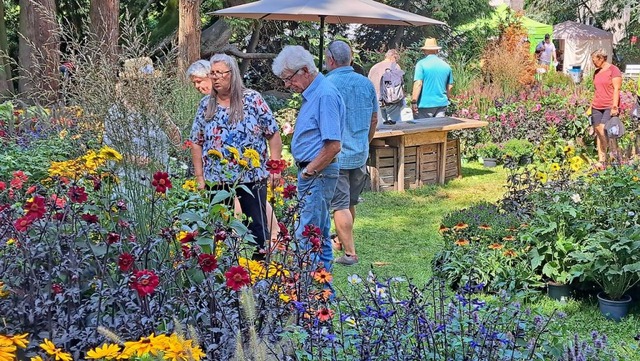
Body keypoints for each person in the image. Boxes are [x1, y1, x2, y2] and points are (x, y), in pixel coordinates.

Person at [189, 54, 283, 259]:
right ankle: (220, 268)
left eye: (220, 73)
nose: (215, 78)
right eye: (212, 73)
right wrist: (199, 177)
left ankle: (260, 268)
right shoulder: (206, 105)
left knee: (257, 226)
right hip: (217, 179)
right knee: (218, 226)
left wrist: (275, 167)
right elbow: (196, 141)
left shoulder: (253, 99)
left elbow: (273, 134)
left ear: (233, 75)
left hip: (251, 177)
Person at [272, 45, 344, 272]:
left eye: (288, 78)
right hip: (315, 174)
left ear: (304, 70)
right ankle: (321, 296)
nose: (287, 85)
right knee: (318, 235)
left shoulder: (325, 94)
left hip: (318, 174)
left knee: (308, 237)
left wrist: (308, 172)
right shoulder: (314, 93)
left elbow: (333, 145)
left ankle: (312, 294)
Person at [324, 40, 377, 266]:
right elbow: (374, 119)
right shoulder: (366, 84)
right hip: (360, 153)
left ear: (331, 60)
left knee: (340, 205)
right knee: (350, 202)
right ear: (351, 59)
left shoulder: (326, 84)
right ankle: (340, 240)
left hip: (337, 155)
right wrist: (366, 141)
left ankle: (350, 253)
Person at [590, 48, 622, 164]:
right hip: (597, 106)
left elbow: (616, 89)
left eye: (594, 60)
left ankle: (612, 153)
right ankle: (602, 160)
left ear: (601, 58)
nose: (593, 63)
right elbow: (596, 90)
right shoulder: (596, 72)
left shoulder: (614, 70)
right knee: (598, 131)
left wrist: (614, 106)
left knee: (603, 129)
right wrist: (590, 106)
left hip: (609, 105)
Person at [411, 38, 454, 119]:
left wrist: (414, 101)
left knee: (423, 130)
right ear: (437, 51)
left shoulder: (421, 64)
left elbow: (418, 84)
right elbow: (450, 87)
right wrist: (447, 98)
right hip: (441, 104)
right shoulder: (446, 66)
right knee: (439, 129)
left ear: (424, 51)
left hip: (425, 105)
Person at [368, 49, 404, 125]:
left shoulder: (374, 68)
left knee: (381, 125)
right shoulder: (395, 66)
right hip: (392, 100)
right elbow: (400, 85)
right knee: (395, 125)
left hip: (377, 100)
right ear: (394, 57)